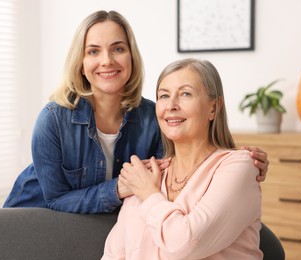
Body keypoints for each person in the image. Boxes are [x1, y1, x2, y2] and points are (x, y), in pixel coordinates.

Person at [3, 10, 268, 214]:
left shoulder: (154, 119)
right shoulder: (53, 118)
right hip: (31, 224)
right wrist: (119, 188)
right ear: (81, 64)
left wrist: (236, 162)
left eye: (118, 48)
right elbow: (55, 201)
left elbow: (182, 171)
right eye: (93, 51)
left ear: (131, 57)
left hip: (99, 228)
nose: (107, 60)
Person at [102, 58, 263, 259]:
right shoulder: (148, 174)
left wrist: (148, 193)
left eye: (185, 94)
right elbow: (114, 254)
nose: (171, 105)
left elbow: (184, 243)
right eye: (163, 95)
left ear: (214, 107)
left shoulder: (239, 167)